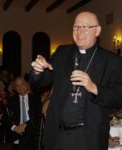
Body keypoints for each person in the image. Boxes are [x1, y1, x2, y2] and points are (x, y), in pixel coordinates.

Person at [29, 11, 122, 150]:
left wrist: (94, 88)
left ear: (97, 30)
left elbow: (119, 96)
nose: (79, 31)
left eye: (85, 27)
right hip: (58, 135)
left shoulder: (112, 61)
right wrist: (38, 71)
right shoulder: (61, 52)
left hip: (89, 138)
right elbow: (39, 84)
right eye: (75, 26)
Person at [2, 77, 42, 150]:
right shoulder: (12, 100)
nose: (20, 87)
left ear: (26, 85)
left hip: (32, 128)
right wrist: (15, 127)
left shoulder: (35, 99)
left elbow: (39, 116)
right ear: (15, 89)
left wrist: (25, 125)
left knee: (29, 130)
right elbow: (5, 117)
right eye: (17, 86)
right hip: (17, 130)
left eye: (22, 84)